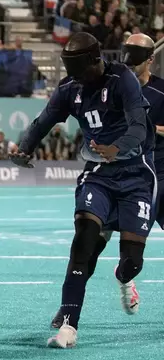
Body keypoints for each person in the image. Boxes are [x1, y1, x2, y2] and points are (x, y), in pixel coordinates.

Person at [11, 32, 156, 349]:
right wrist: (24, 148)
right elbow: (42, 122)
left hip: (136, 176)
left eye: (80, 70)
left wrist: (117, 148)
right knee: (83, 244)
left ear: (96, 60)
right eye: (70, 71)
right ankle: (68, 325)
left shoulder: (123, 78)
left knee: (132, 261)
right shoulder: (69, 87)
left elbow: (138, 125)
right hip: (97, 175)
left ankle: (124, 276)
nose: (76, 78)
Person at [49, 32, 164, 328]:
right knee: (89, 246)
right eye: (125, 51)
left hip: (152, 177)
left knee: (132, 259)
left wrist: (153, 129)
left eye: (135, 54)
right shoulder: (109, 83)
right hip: (109, 175)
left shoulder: (161, 93)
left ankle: (126, 277)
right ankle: (68, 308)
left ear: (150, 59)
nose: (128, 58)